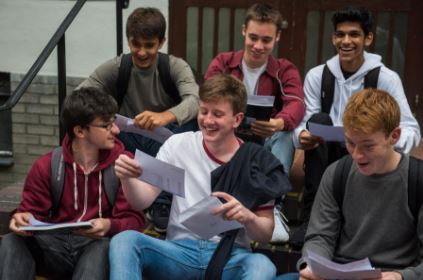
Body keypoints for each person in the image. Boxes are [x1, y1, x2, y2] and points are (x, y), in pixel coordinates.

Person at [109, 74, 291, 280]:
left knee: (262, 266)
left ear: (237, 119)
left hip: (230, 254)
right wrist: (127, 178)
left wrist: (247, 217)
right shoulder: (178, 145)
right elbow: (142, 200)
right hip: (179, 250)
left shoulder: (257, 161)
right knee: (124, 241)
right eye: (203, 111)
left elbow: (265, 234)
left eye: (218, 114)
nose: (208, 120)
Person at [291, 6, 421, 247]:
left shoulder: (385, 78)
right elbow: (303, 123)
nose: (346, 41)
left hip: (367, 152)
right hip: (325, 154)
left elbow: (411, 130)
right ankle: (312, 220)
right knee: (318, 121)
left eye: (354, 34)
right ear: (333, 38)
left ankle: (355, 228)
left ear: (368, 38)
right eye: (340, 34)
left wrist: (384, 140)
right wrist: (303, 136)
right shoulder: (318, 76)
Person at [0, 87, 145, 280]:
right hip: (54, 246)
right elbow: (31, 212)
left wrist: (109, 225)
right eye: (106, 125)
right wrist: (22, 218)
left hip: (96, 246)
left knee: (102, 248)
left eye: (114, 123)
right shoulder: (47, 165)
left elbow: (136, 222)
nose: (116, 130)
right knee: (12, 241)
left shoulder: (123, 164)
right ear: (80, 131)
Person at [278, 88, 423, 280]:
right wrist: (313, 266)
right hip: (338, 272)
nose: (357, 155)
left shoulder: (417, 179)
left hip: (393, 273)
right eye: (350, 143)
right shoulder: (337, 173)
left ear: (394, 136)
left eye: (368, 146)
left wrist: (401, 276)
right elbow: (320, 236)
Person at [78, 7, 200, 232]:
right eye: (136, 44)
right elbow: (80, 95)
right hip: (128, 137)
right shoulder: (118, 66)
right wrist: (106, 114)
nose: (142, 52)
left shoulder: (174, 66)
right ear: (128, 41)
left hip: (166, 139)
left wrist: (164, 117)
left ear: (161, 42)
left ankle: (162, 204)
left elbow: (195, 100)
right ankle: (101, 197)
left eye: (149, 45)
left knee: (188, 129)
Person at [205, 2, 304, 175]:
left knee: (285, 135)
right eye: (253, 37)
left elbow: (297, 103)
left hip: (265, 135)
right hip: (228, 132)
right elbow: (208, 95)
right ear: (244, 31)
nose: (258, 46)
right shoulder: (223, 63)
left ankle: (274, 197)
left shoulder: (285, 69)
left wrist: (278, 123)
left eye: (266, 40)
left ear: (277, 36)